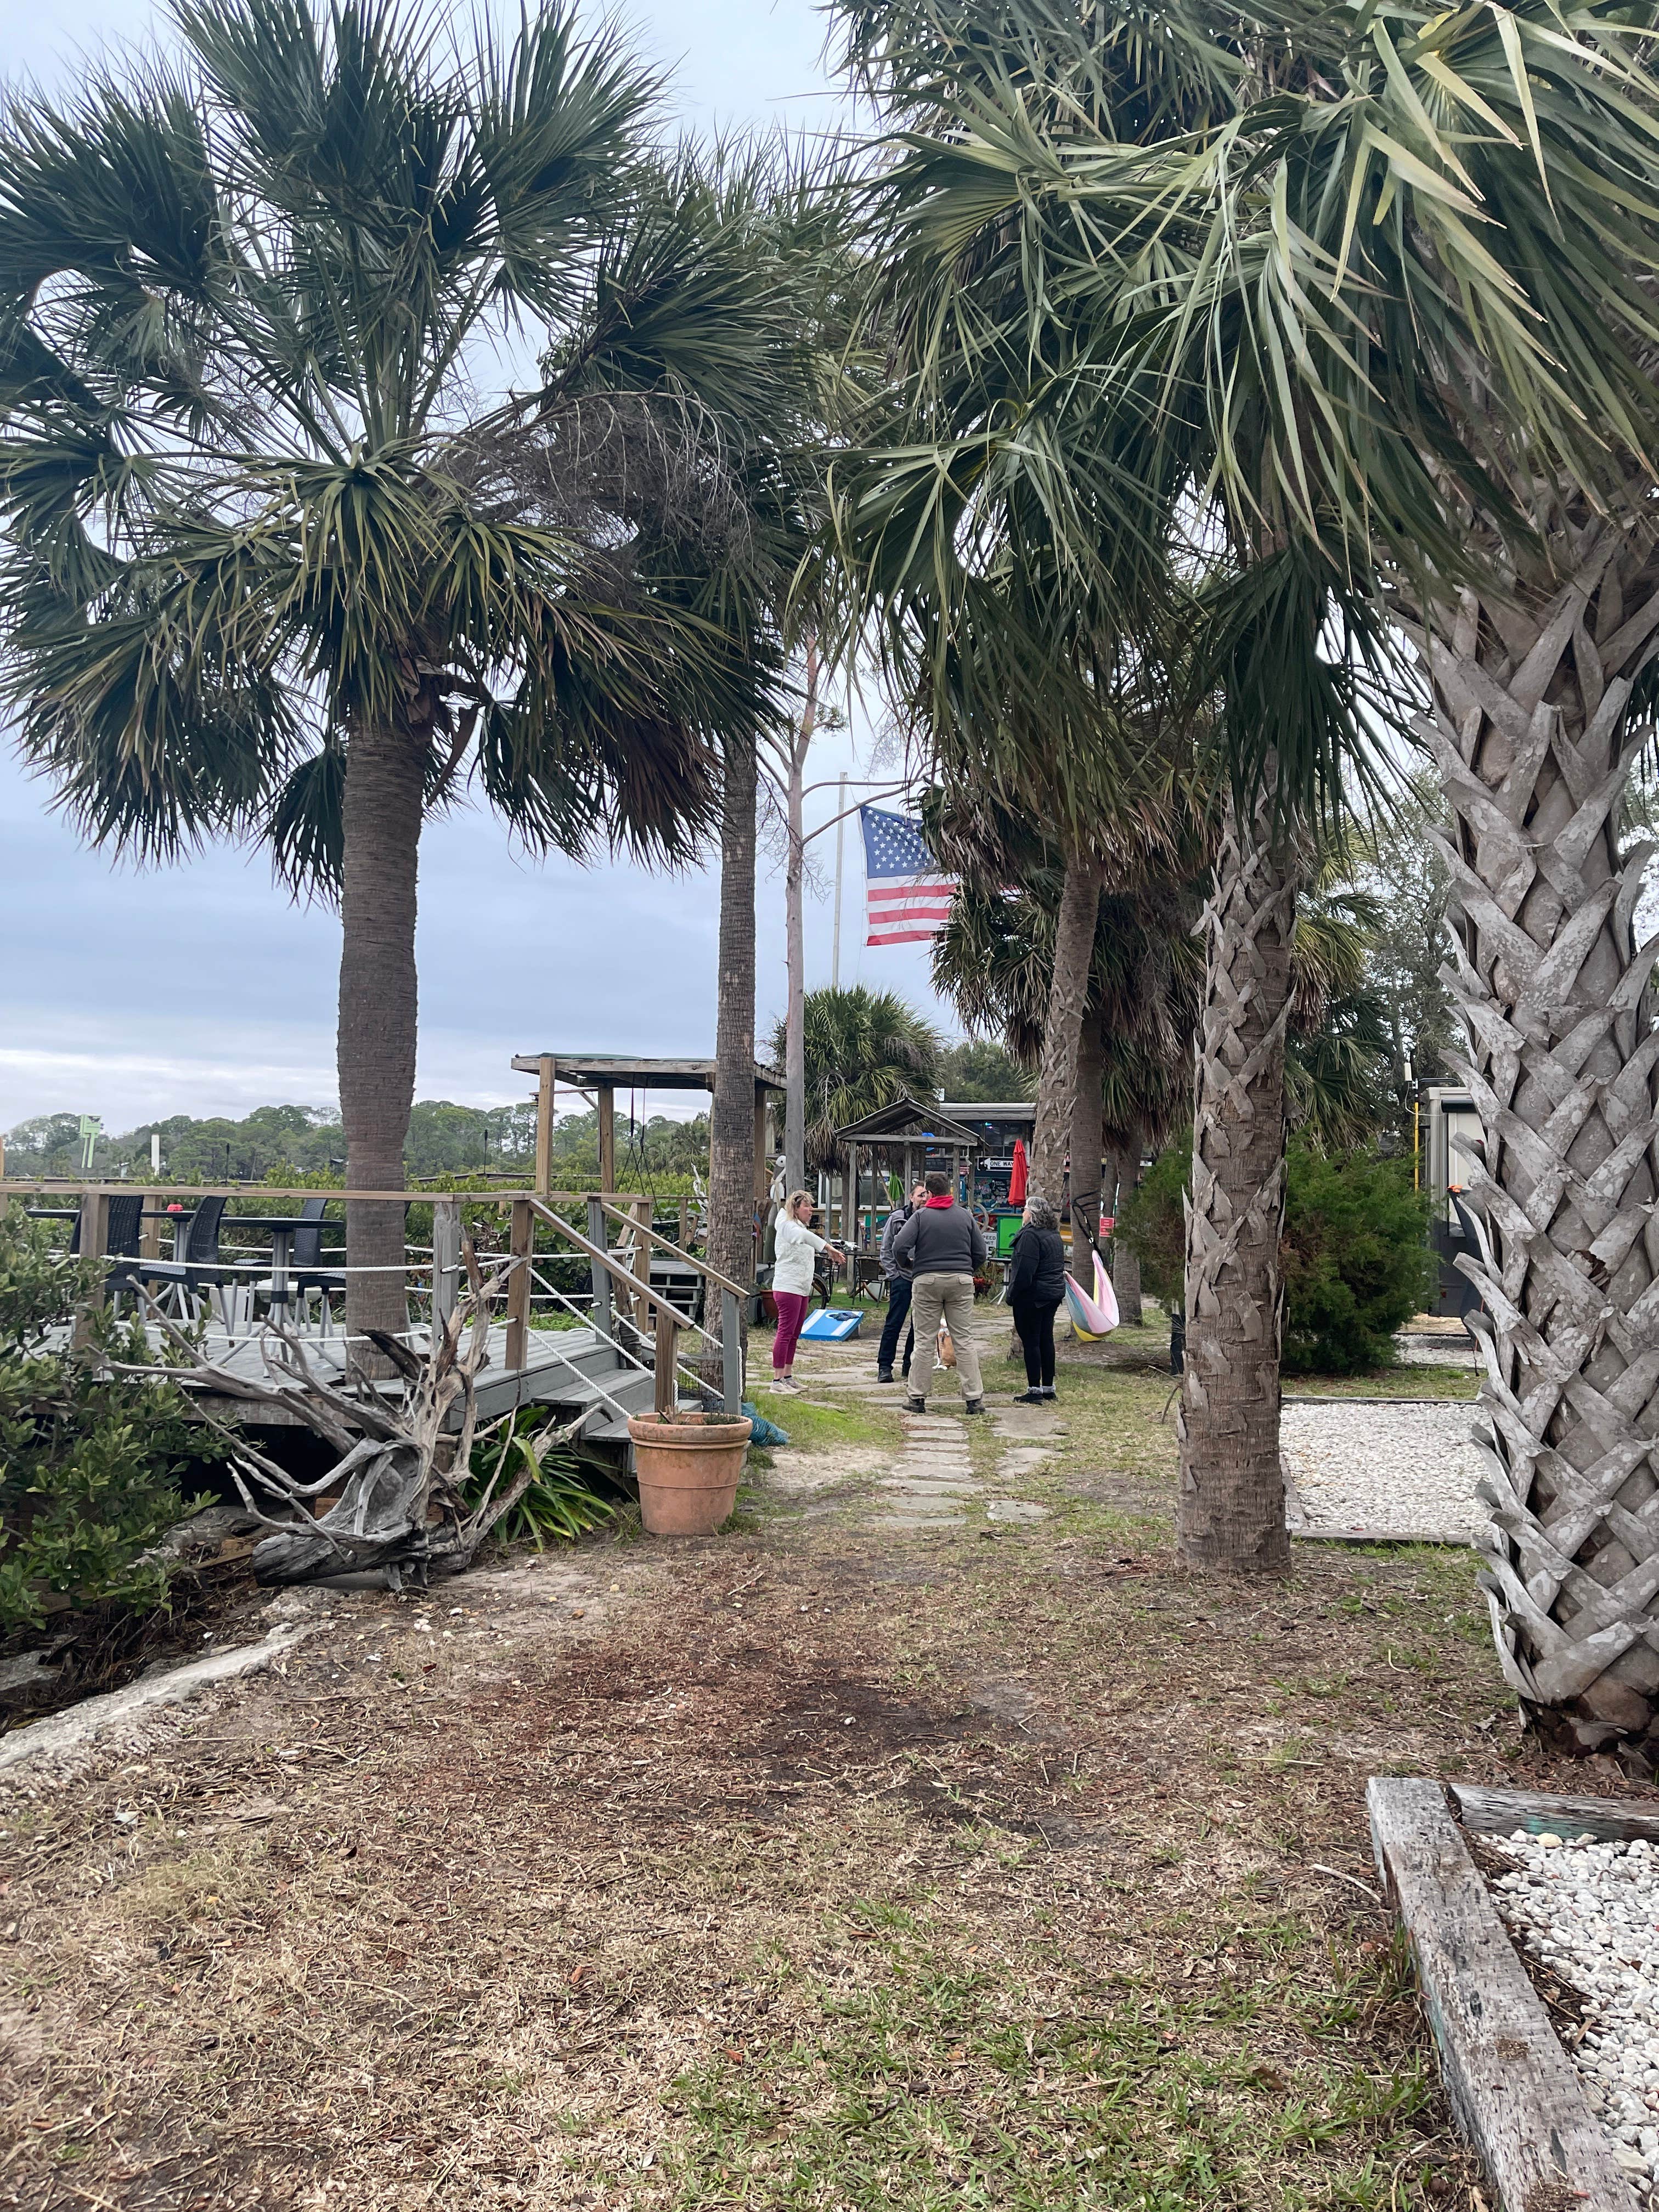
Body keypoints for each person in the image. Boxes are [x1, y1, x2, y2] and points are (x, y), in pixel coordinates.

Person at [890, 1170, 989, 1415]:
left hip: (927, 1280)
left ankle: (917, 1397)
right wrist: (966, 1270)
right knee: (964, 1339)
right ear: (950, 1191)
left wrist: (911, 1266)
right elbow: (981, 1253)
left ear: (930, 1194)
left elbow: (899, 1246)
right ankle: (974, 1399)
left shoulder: (921, 1217)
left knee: (924, 1340)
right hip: (961, 1280)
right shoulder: (965, 1216)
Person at [770, 1189, 842, 1392]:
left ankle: (787, 1376)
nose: (811, 1210)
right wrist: (828, 1248)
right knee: (785, 1333)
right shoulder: (787, 1226)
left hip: (801, 1289)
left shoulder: (798, 1225)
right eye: (807, 1206)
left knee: (794, 1334)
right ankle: (776, 1381)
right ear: (795, 1208)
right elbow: (803, 1236)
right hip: (788, 1287)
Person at [1006, 1192, 1067, 1402]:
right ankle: (1049, 1387)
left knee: (1031, 1342)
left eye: (1024, 1210)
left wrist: (1012, 1295)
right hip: (1052, 1295)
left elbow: (1025, 1273)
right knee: (1046, 1339)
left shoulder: (1030, 1236)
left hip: (1032, 1297)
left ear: (1031, 1214)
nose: (1022, 1213)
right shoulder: (1053, 1234)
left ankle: (1034, 1390)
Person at [875, 1182, 928, 1383]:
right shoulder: (897, 1219)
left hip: (923, 1279)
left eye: (926, 1195)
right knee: (894, 1323)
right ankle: (884, 1367)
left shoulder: (930, 1219)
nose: (924, 1199)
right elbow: (887, 1249)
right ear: (911, 1197)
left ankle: (909, 1365)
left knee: (919, 1326)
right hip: (902, 1279)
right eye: (920, 1195)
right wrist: (894, 1275)